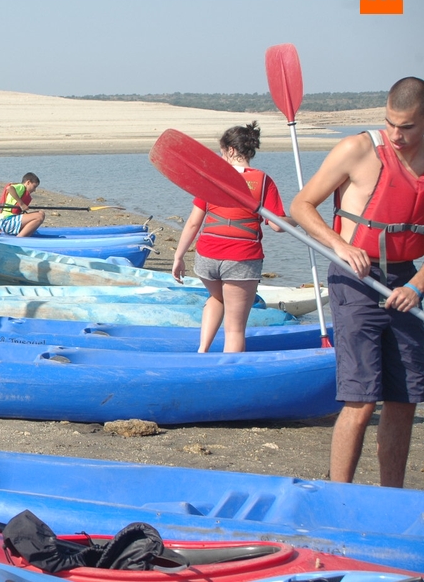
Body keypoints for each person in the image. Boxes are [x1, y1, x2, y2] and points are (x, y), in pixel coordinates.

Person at [291, 77, 424, 488]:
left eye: (408, 127)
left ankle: (391, 495)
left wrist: (417, 286)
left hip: (405, 281)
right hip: (352, 279)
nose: (396, 135)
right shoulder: (357, 149)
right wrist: (339, 245)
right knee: (362, 399)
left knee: (403, 401)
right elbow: (301, 205)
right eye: (390, 124)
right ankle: (338, 491)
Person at [171, 122, 289, 354]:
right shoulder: (263, 181)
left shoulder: (213, 179)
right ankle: (228, 373)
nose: (220, 157)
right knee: (235, 330)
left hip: (207, 258)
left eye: (222, 152)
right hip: (241, 259)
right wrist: (296, 220)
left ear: (231, 151)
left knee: (217, 298)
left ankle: (202, 351)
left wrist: (179, 256)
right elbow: (277, 225)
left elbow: (194, 222)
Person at [0, 172, 44, 237]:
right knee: (39, 216)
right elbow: (10, 188)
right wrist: (22, 204)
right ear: (28, 182)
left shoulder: (19, 192)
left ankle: (24, 236)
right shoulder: (21, 187)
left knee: (41, 213)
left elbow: (0, 209)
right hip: (8, 222)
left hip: (5, 222)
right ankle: (19, 238)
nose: (34, 190)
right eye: (34, 187)